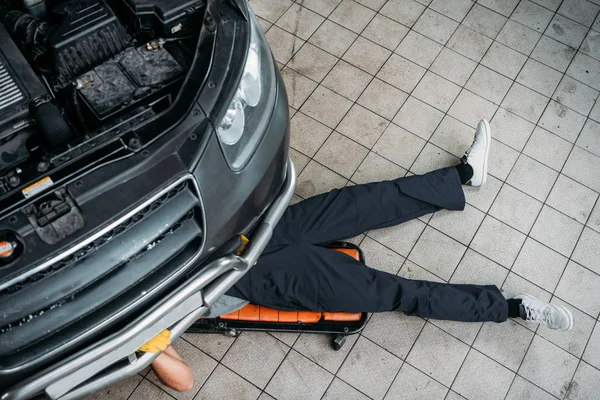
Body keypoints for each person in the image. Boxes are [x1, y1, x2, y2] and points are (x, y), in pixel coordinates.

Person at [143, 119, 574, 391]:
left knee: (359, 203)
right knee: (397, 293)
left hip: (248, 232)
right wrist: (144, 345)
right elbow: (183, 382)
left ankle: (464, 176)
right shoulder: (128, 316)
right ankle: (513, 308)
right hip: (258, 276)